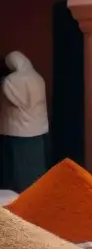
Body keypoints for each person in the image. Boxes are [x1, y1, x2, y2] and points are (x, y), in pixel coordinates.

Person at [0, 52, 50, 192]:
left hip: (17, 132)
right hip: (37, 130)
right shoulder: (38, 78)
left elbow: (13, 99)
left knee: (17, 169)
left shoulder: (11, 80)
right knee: (34, 167)